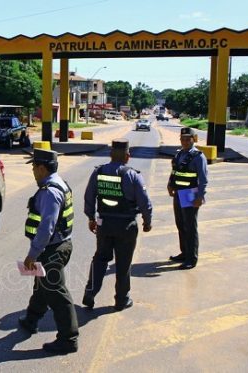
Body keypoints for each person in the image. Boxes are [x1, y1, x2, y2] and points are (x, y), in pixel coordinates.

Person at [18, 149, 79, 354]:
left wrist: (32, 254)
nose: (33, 171)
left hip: (52, 249)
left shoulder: (50, 192)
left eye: (34, 167)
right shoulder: (59, 183)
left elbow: (46, 228)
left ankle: (68, 339)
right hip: (58, 245)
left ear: (43, 169)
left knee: (57, 293)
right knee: (41, 285)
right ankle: (31, 319)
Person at [82, 139, 153, 311]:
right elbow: (145, 203)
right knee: (123, 264)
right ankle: (121, 300)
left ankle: (90, 293)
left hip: (104, 224)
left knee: (100, 259)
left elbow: (89, 197)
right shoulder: (132, 175)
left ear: (110, 154)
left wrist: (91, 218)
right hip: (125, 226)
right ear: (127, 156)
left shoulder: (98, 173)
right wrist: (147, 221)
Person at [167, 127, 208, 269]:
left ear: (193, 139)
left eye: (187, 139)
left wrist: (200, 197)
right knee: (180, 224)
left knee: (190, 227)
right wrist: (170, 184)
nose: (184, 141)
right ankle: (184, 252)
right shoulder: (179, 154)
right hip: (178, 193)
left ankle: (191, 259)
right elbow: (175, 171)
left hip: (190, 193)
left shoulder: (198, 156)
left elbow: (203, 179)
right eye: (182, 139)